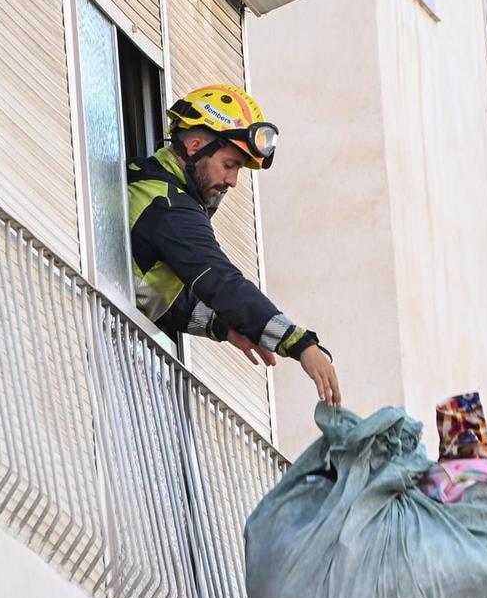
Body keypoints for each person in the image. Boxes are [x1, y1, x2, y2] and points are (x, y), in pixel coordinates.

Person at [125, 84, 341, 404]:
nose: (233, 181)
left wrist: (223, 327)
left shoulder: (148, 185)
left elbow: (154, 296)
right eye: (229, 165)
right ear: (195, 147)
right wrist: (301, 345)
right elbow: (222, 282)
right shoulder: (169, 206)